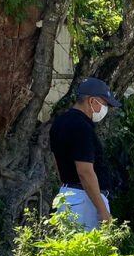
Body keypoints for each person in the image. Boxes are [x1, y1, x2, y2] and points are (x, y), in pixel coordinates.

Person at [48, 78, 120, 231]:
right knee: (91, 252)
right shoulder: (82, 127)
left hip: (67, 195)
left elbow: (56, 162)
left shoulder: (59, 122)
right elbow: (85, 172)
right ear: (92, 101)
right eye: (105, 104)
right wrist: (102, 211)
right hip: (86, 200)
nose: (105, 108)